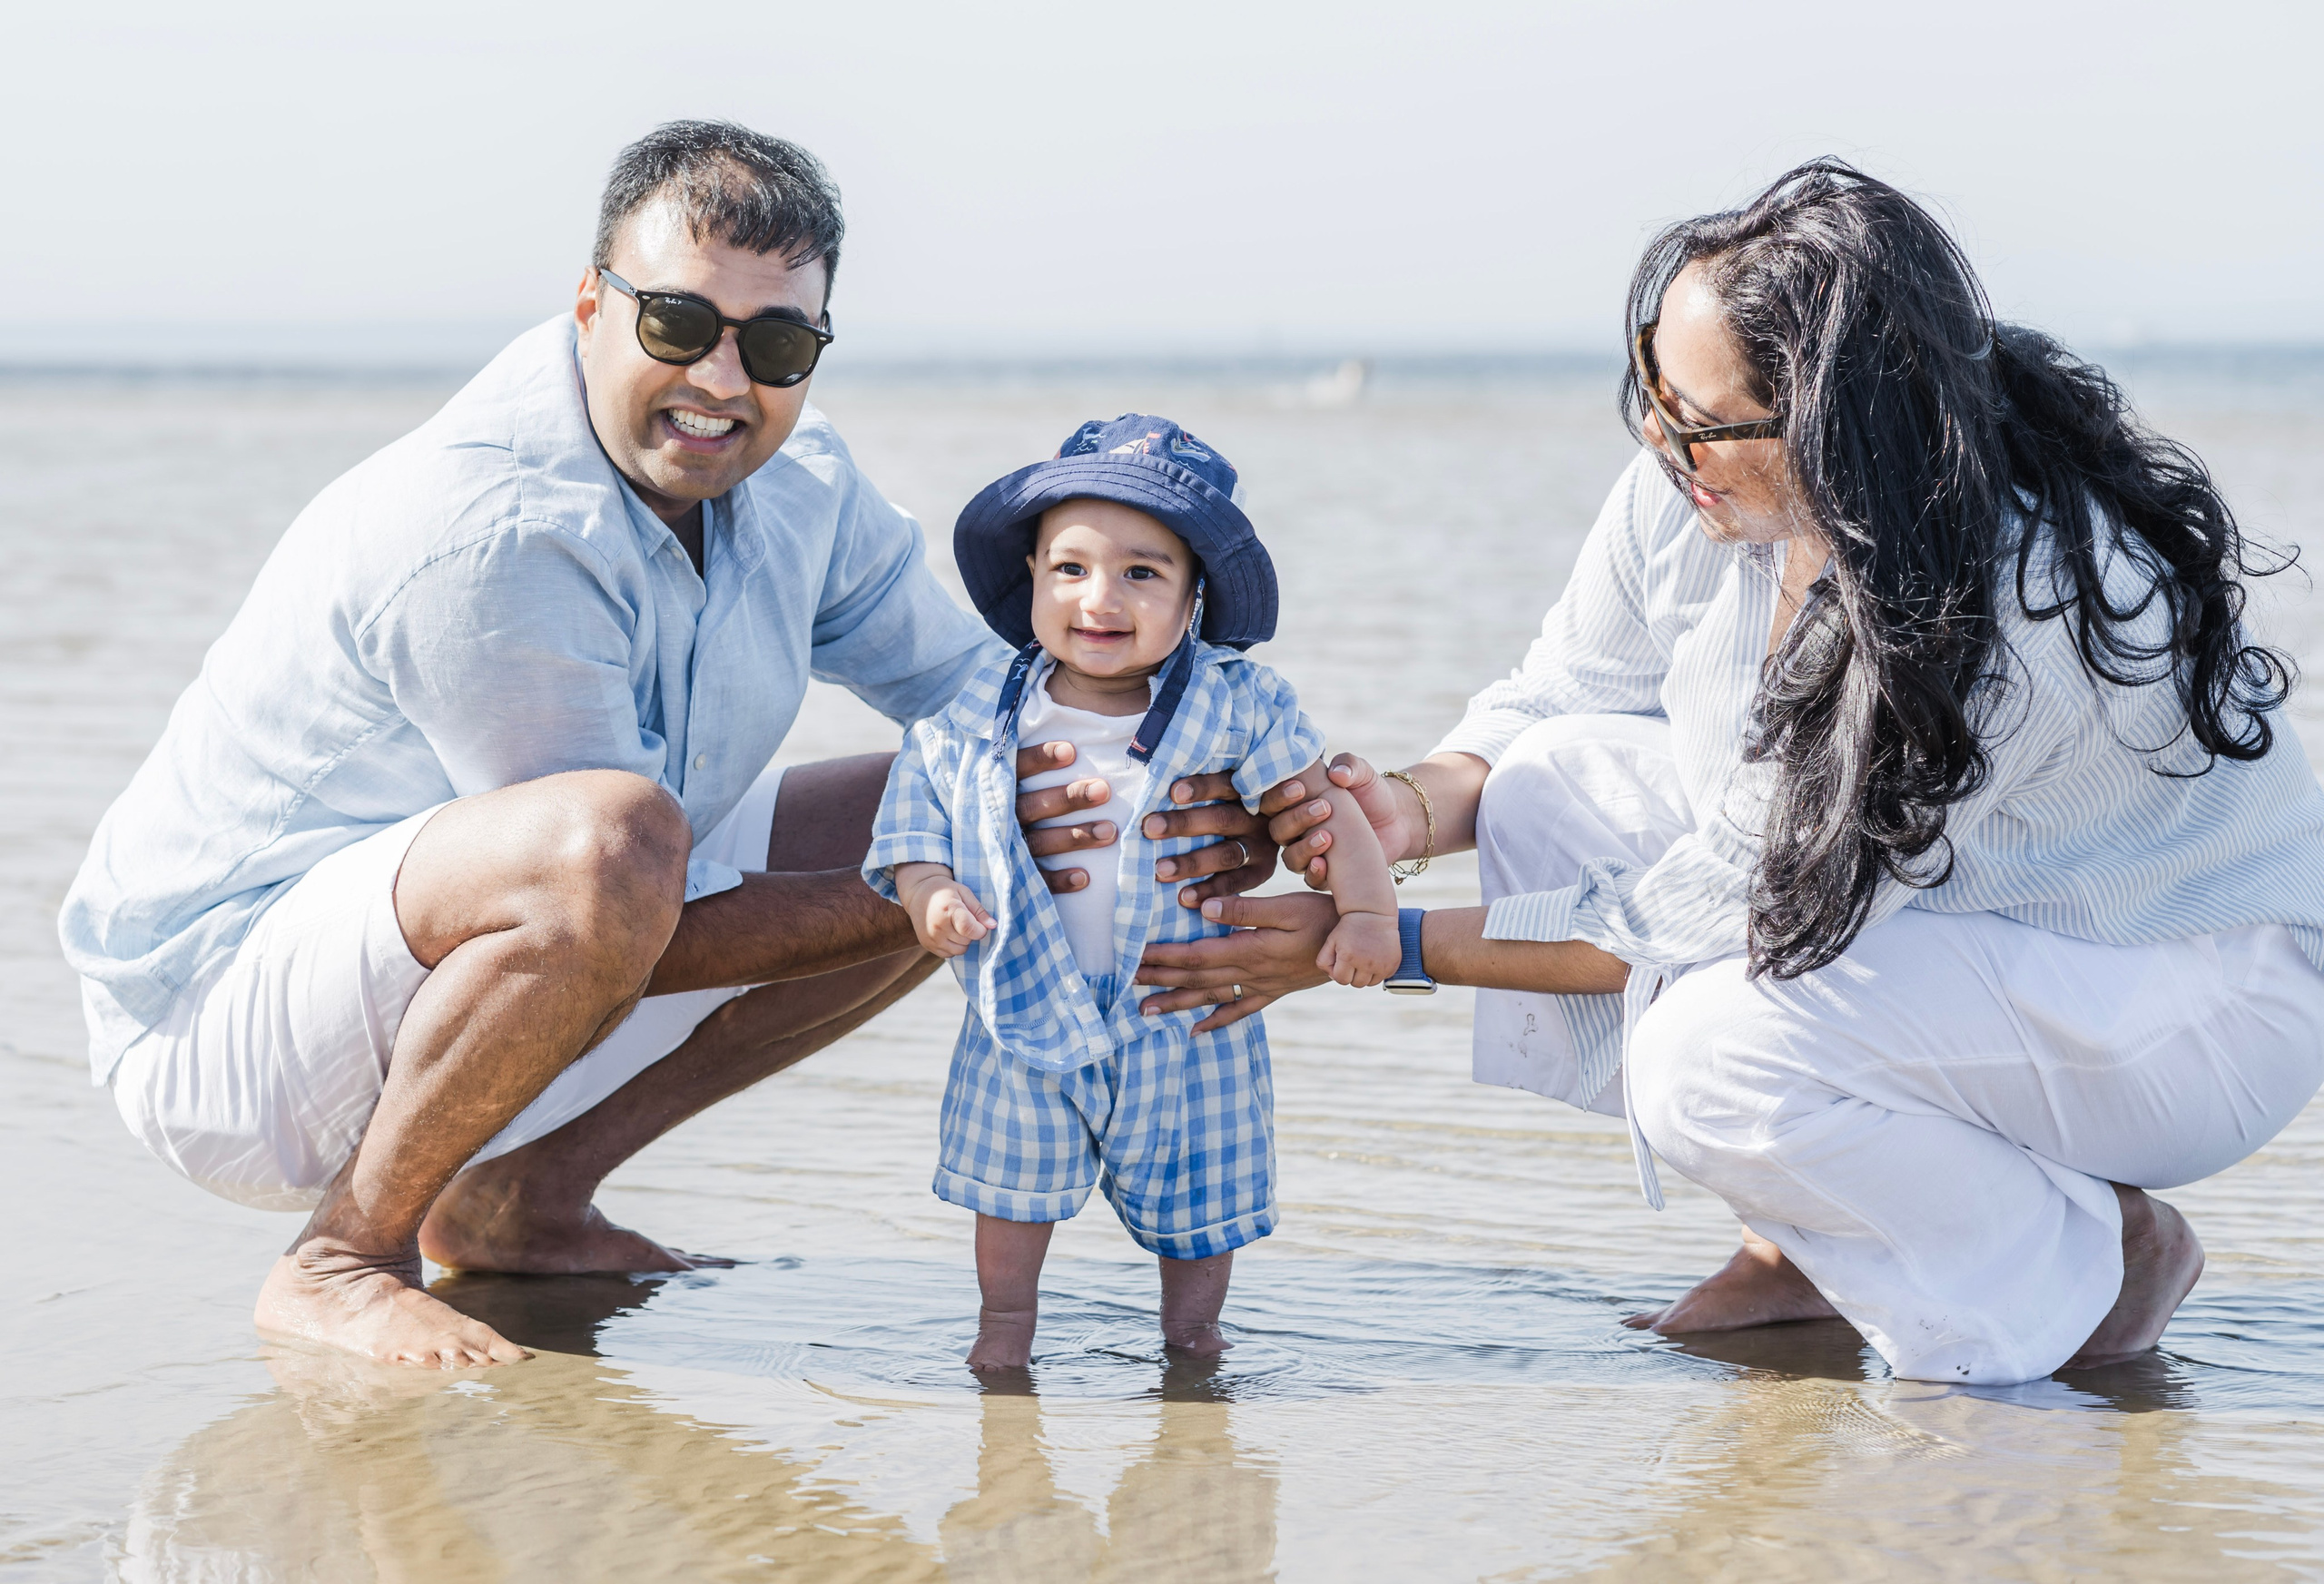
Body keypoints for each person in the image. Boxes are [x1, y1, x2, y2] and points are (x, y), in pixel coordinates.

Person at [56, 122, 1272, 1370]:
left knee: (969, 794)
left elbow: (996, 705)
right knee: (645, 846)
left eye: (779, 344)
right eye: (678, 324)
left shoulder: (806, 487)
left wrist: (1195, 792)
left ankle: (522, 1200)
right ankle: (346, 1254)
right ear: (591, 303)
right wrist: (941, 894)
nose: (723, 383)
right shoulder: (493, 528)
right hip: (218, 1030)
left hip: (463, 972)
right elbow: (618, 908)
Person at [1134, 160, 2324, 1386]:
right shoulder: (1692, 472)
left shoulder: (2004, 605)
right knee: (1548, 783)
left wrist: (1369, 941)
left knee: (1710, 1051)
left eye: (1699, 421)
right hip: (1973, 915)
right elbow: (1561, 693)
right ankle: (1810, 1244)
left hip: (2188, 993)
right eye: (1649, 397)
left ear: (1837, 424)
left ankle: (2069, 1283)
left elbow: (1701, 921)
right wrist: (1403, 807)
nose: (1663, 442)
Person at [867, 416, 1400, 1370]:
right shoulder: (976, 709)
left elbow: (1315, 808)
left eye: (1142, 573)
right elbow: (917, 820)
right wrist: (930, 891)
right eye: (1068, 569)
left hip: (1186, 1007)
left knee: (1200, 1207)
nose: (1099, 598)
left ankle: (1193, 1338)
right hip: (1023, 1000)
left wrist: (1364, 910)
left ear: (1194, 594)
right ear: (1029, 575)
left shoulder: (1234, 703)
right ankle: (1003, 1335)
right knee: (1011, 1191)